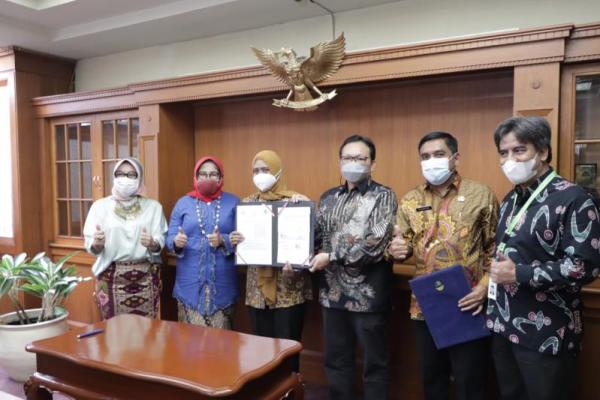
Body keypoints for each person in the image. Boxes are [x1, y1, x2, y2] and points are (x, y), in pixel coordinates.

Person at [487, 116, 600, 400]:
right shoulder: (511, 199)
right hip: (504, 325)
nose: (510, 160)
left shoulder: (574, 198)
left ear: (543, 152)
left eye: (519, 150)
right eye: (504, 152)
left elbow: (584, 267)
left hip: (548, 333)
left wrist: (519, 274)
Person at [389, 131, 498, 400]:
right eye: (425, 156)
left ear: (455, 158)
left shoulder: (481, 194)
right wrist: (396, 250)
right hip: (425, 305)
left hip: (468, 302)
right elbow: (402, 245)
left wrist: (484, 289)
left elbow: (495, 249)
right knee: (432, 378)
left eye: (439, 154)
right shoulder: (410, 200)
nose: (431, 161)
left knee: (470, 382)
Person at [310, 135, 397, 400]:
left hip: (368, 298)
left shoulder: (384, 196)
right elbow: (317, 239)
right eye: (348, 158)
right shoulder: (328, 198)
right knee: (336, 361)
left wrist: (331, 256)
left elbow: (374, 245)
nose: (353, 163)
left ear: (372, 164)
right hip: (332, 295)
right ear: (340, 162)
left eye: (360, 158)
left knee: (375, 364)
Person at [239, 150, 312, 372]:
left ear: (278, 171)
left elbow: (312, 240)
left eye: (266, 169)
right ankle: (266, 388)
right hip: (257, 291)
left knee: (287, 350)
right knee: (261, 350)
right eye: (256, 170)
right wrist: (235, 239)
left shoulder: (296, 201)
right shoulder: (247, 204)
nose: (260, 175)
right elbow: (243, 242)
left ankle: (290, 387)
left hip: (288, 289)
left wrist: (307, 209)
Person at [84, 158, 167, 320]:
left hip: (146, 279)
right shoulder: (99, 207)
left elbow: (160, 242)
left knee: (146, 330)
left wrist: (152, 243)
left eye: (131, 175)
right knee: (113, 330)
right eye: (120, 174)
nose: (125, 179)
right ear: (114, 176)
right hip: (110, 278)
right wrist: (97, 244)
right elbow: (92, 246)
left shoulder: (154, 207)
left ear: (139, 178)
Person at [166, 156, 241, 329]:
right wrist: (176, 242)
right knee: (190, 341)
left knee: (221, 341)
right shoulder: (183, 203)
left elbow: (244, 238)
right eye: (203, 174)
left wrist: (224, 240)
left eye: (213, 174)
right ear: (196, 176)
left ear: (221, 178)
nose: (208, 178)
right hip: (189, 286)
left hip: (223, 286)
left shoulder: (234, 202)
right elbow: (169, 237)